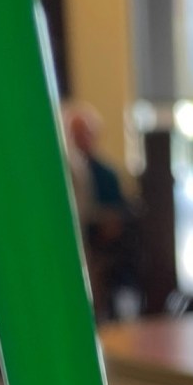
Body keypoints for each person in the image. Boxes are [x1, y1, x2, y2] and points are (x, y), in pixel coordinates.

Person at [61, 100, 138, 319]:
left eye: (85, 133)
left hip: (102, 244)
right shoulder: (65, 171)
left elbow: (119, 212)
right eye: (76, 134)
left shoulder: (107, 174)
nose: (82, 139)